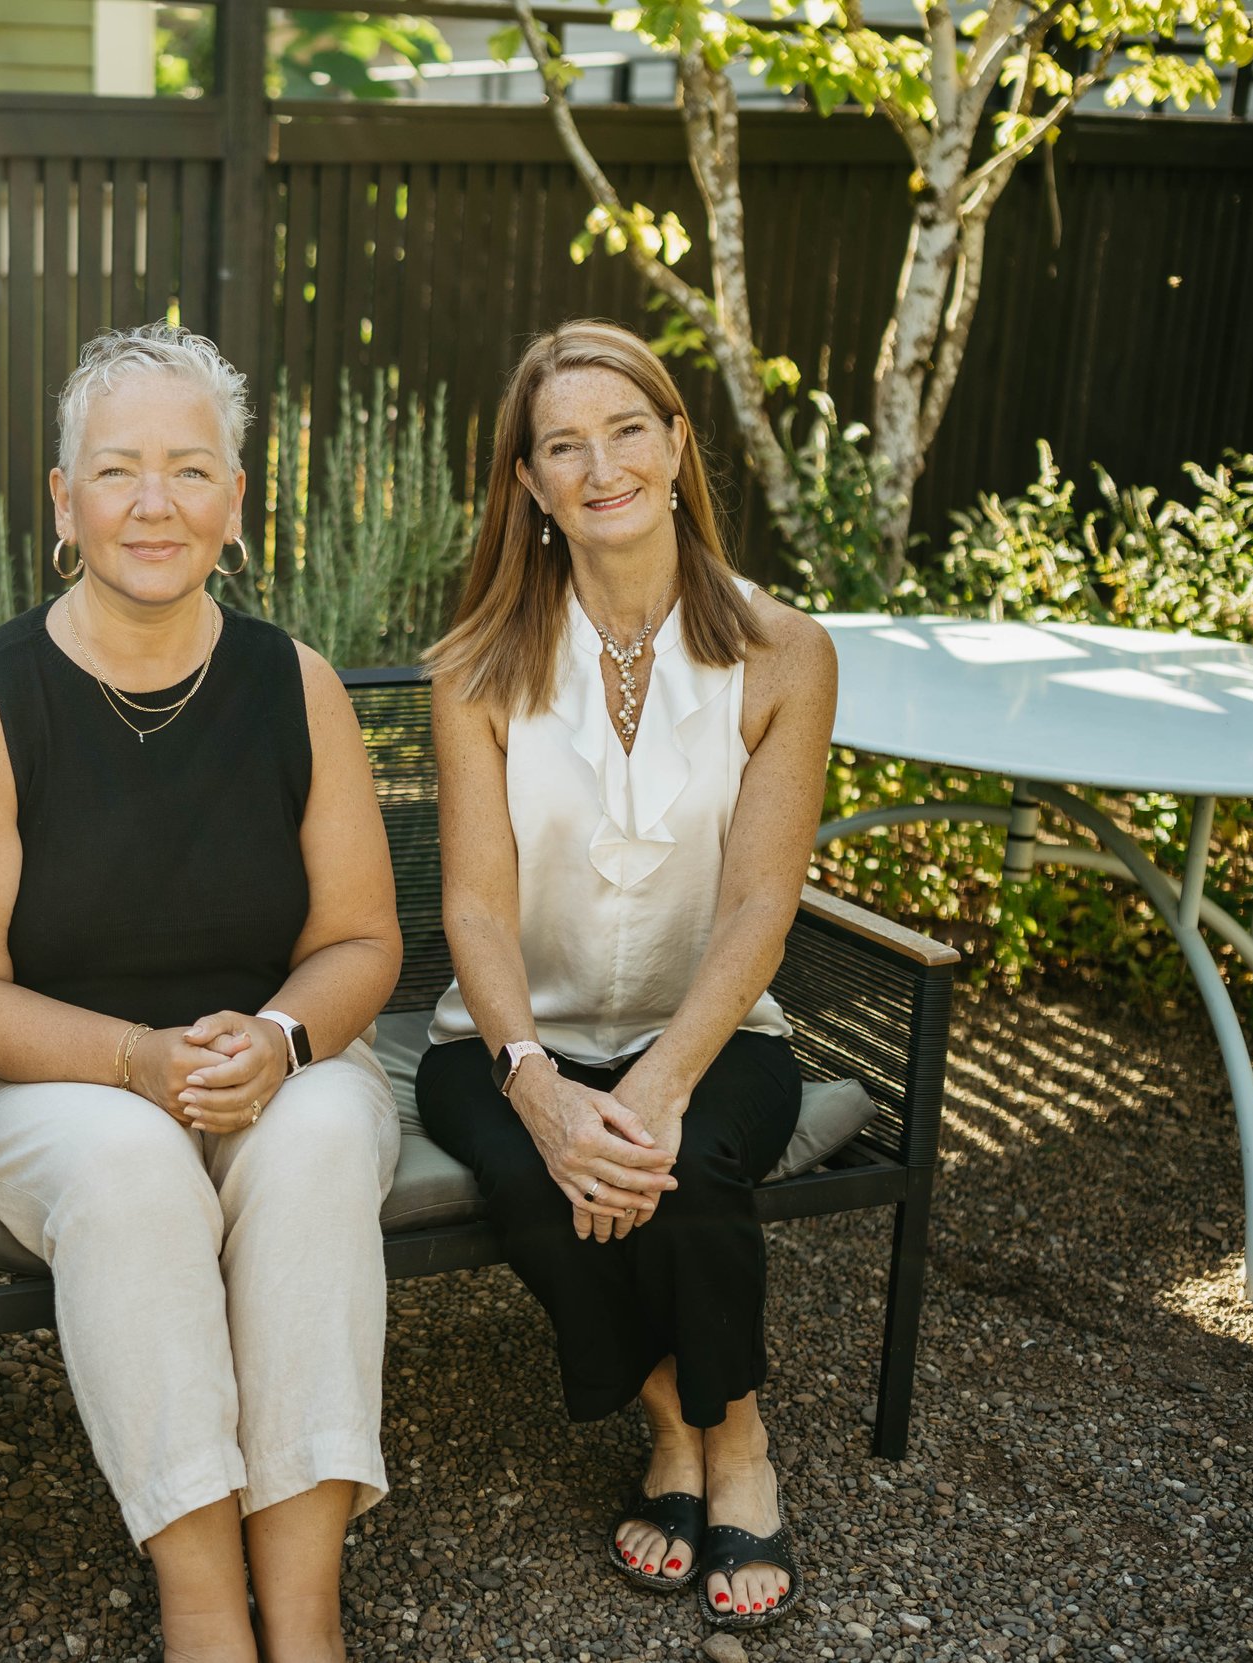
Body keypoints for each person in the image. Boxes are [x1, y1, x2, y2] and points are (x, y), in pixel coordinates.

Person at [0, 322, 403, 1663]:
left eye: (191, 470)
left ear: (237, 503)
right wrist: (132, 1060)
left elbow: (359, 940)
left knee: (331, 1136)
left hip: (257, 1057)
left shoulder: (297, 687)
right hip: (30, 1075)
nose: (154, 503)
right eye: (117, 471)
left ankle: (304, 1613)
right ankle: (201, 1614)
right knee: (127, 1161)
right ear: (63, 503)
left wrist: (285, 1041)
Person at [413, 320, 836, 1634]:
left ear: (678, 445)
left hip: (710, 1032)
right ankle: (686, 1421)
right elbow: (476, 909)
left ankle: (731, 1441)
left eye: (627, 430)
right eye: (563, 446)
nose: (602, 466)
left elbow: (764, 902)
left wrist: (659, 1081)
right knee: (546, 1182)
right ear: (530, 486)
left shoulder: (784, 652)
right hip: (506, 1039)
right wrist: (538, 1085)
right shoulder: (476, 666)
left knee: (693, 1167)